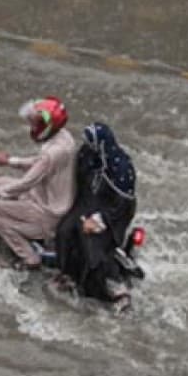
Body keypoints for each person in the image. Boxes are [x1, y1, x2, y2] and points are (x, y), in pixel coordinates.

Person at [0, 97, 75, 269]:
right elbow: (39, 164)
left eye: (35, 124)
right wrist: (10, 161)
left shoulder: (52, 154)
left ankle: (30, 258)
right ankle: (10, 232)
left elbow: (26, 183)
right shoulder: (63, 138)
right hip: (48, 197)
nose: (32, 127)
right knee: (1, 181)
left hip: (48, 213)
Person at [53, 122, 137, 310]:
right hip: (87, 203)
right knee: (65, 230)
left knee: (91, 241)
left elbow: (123, 204)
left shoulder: (121, 168)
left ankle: (114, 288)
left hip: (112, 214)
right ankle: (68, 273)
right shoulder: (87, 155)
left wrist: (99, 220)